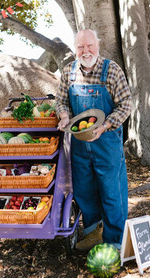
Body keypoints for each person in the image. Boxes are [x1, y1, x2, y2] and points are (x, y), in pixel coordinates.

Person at [55, 29, 132, 251]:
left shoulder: (112, 71)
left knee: (111, 192)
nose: (85, 51)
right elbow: (61, 101)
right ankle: (93, 235)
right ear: (75, 49)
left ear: (97, 45)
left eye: (89, 46)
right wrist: (64, 115)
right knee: (84, 191)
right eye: (81, 47)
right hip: (79, 145)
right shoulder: (69, 72)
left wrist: (106, 125)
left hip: (106, 143)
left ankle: (115, 243)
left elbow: (125, 104)